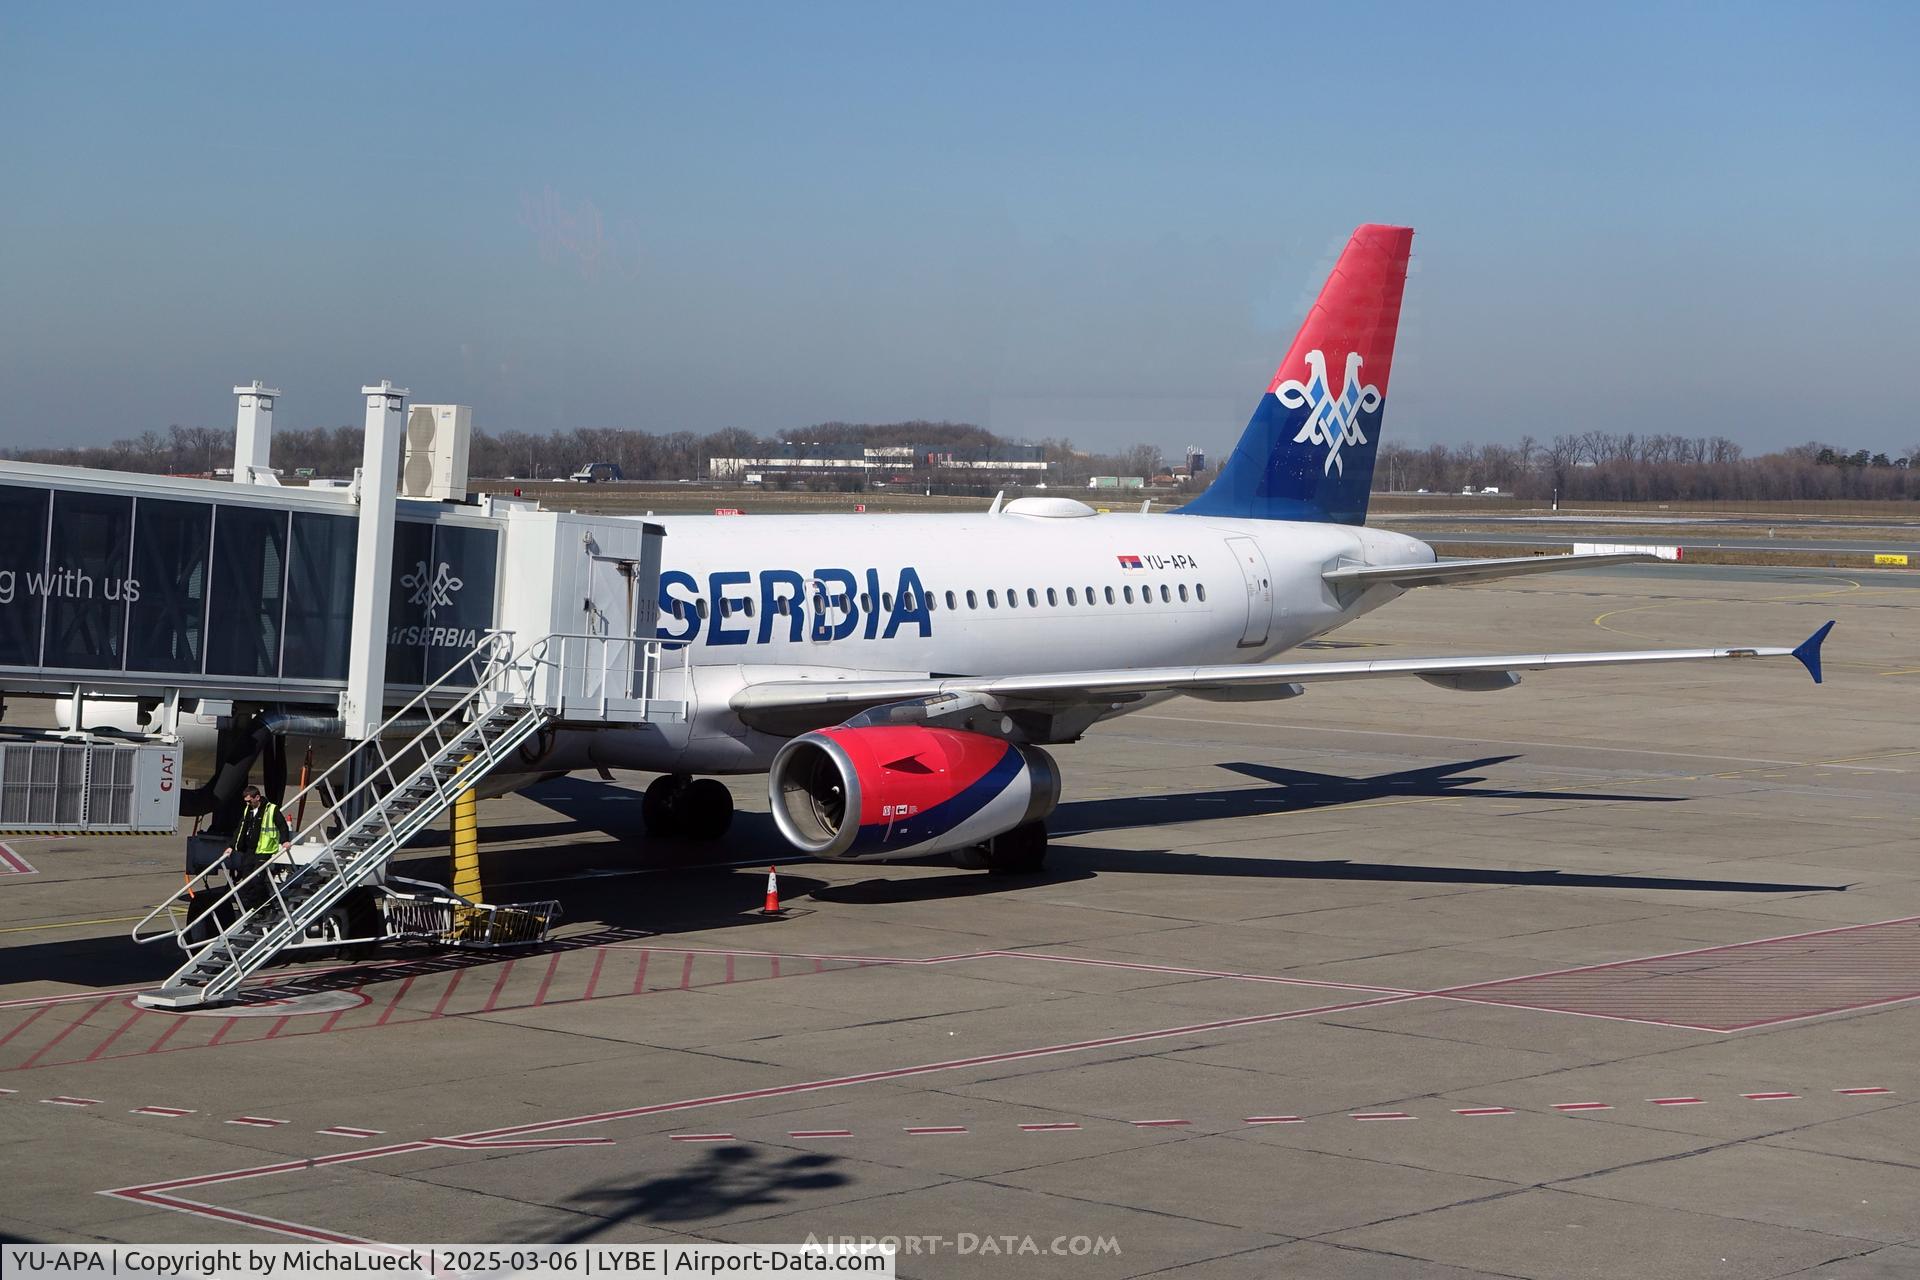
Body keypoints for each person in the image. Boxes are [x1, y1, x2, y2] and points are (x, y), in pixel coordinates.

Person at [224, 786, 291, 913]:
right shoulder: (248, 810)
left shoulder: (271, 809)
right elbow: (240, 829)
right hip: (250, 850)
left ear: (257, 797)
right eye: (246, 801)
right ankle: (254, 907)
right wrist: (231, 846)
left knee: (258, 879)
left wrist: (285, 841)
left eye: (249, 801)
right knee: (247, 879)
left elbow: (282, 826)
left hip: (264, 850)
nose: (247, 803)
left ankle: (266, 905)